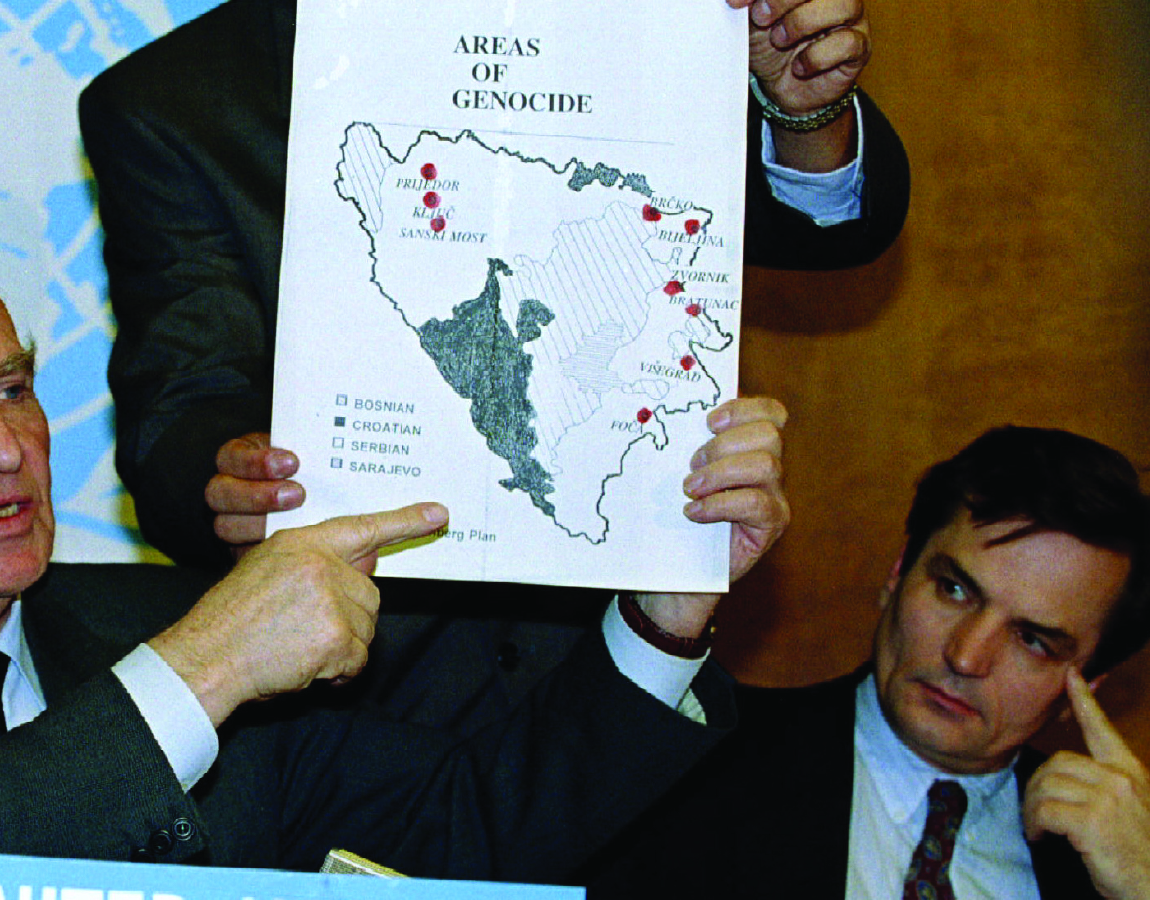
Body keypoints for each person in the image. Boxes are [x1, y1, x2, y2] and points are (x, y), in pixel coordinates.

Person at [0, 236, 790, 889]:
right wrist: (194, 676)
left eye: (12, 388)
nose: (4, 448)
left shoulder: (161, 622)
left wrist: (660, 614)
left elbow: (471, 832)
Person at [78, 0, 911, 569]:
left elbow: (826, 235)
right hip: (341, 676)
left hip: (623, 649)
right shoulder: (173, 104)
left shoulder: (641, 25)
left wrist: (801, 110)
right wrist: (230, 481)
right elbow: (180, 423)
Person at [579, 426, 1150, 900]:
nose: (966, 656)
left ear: (1089, 687)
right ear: (899, 573)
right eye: (953, 590)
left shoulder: (1103, 866)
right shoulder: (695, 760)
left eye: (1033, 641)